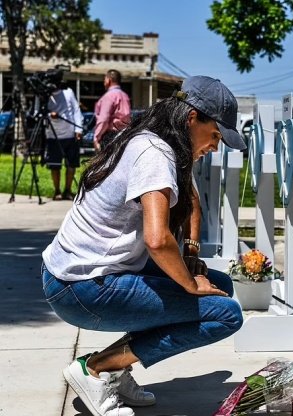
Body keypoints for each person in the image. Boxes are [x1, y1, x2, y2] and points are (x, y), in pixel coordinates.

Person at [41, 75, 247, 416]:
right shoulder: (155, 153)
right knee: (225, 315)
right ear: (192, 117)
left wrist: (191, 257)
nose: (216, 146)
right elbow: (156, 239)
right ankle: (96, 368)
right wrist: (189, 283)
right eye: (215, 135)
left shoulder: (157, 140)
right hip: (79, 287)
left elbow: (191, 201)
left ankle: (117, 368)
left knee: (220, 286)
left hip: (84, 273)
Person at [44, 79, 84, 201]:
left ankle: (68, 190)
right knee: (55, 165)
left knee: (71, 164)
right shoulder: (44, 95)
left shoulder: (68, 92)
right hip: (53, 135)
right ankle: (57, 191)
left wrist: (79, 129)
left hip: (70, 134)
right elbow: (38, 113)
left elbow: (76, 110)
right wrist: (50, 115)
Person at [93, 69, 131, 152]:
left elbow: (103, 119)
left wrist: (97, 137)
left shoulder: (109, 96)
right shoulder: (125, 96)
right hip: (124, 135)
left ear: (109, 80)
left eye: (104, 79)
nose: (103, 81)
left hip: (110, 136)